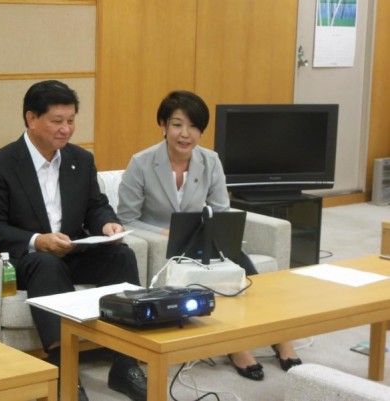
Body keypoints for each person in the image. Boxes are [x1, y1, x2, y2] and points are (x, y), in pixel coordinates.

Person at [0, 80, 147, 401]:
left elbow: (95, 205)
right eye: (57, 121)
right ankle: (63, 368)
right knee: (46, 264)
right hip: (28, 260)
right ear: (31, 118)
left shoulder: (81, 159)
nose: (66, 129)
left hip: (73, 250)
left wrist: (107, 224)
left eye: (71, 120)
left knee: (122, 256)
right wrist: (38, 240)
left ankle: (126, 362)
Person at [117, 90, 302, 381]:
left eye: (193, 127)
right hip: (164, 246)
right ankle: (236, 346)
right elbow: (127, 218)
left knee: (242, 268)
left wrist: (217, 232)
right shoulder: (141, 163)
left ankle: (280, 336)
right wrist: (164, 232)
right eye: (177, 125)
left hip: (201, 239)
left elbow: (221, 209)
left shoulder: (210, 160)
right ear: (163, 126)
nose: (185, 134)